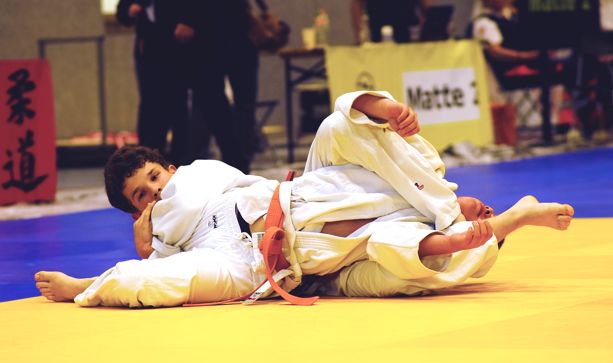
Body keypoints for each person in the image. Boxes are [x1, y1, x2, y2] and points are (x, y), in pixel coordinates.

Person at [34, 91, 574, 307]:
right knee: (401, 276)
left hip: (294, 198)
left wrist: (155, 233)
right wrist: (145, 250)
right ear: (135, 209)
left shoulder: (202, 175)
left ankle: (385, 117)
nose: (155, 192)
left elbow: (206, 189)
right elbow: (159, 274)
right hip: (278, 263)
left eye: (154, 177)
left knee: (338, 125)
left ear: (169, 168)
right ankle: (501, 223)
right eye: (142, 195)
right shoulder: (163, 238)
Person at [185, 0, 260, 173]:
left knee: (240, 104)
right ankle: (235, 157)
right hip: (209, 35)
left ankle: (239, 159)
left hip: (231, 31)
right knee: (214, 102)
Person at [116, 0, 194, 166]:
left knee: (178, 106)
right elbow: (122, 12)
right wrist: (130, 11)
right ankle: (147, 160)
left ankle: (181, 161)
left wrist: (188, 22)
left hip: (175, 47)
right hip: (148, 50)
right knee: (150, 107)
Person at [351, 0, 432, 44]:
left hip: (408, 34)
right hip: (377, 35)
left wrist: (428, 30)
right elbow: (357, 4)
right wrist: (360, 36)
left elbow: (427, 6)